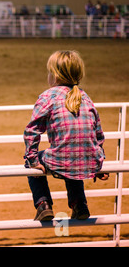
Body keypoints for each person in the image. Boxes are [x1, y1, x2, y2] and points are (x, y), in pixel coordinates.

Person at [23, 50, 108, 222]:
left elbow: (32, 131)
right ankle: (80, 204)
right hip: (89, 159)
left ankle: (43, 204)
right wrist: (98, 161)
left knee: (33, 163)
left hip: (63, 158)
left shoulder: (48, 96)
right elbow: (98, 134)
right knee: (73, 158)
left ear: (54, 75)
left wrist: (33, 160)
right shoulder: (85, 97)